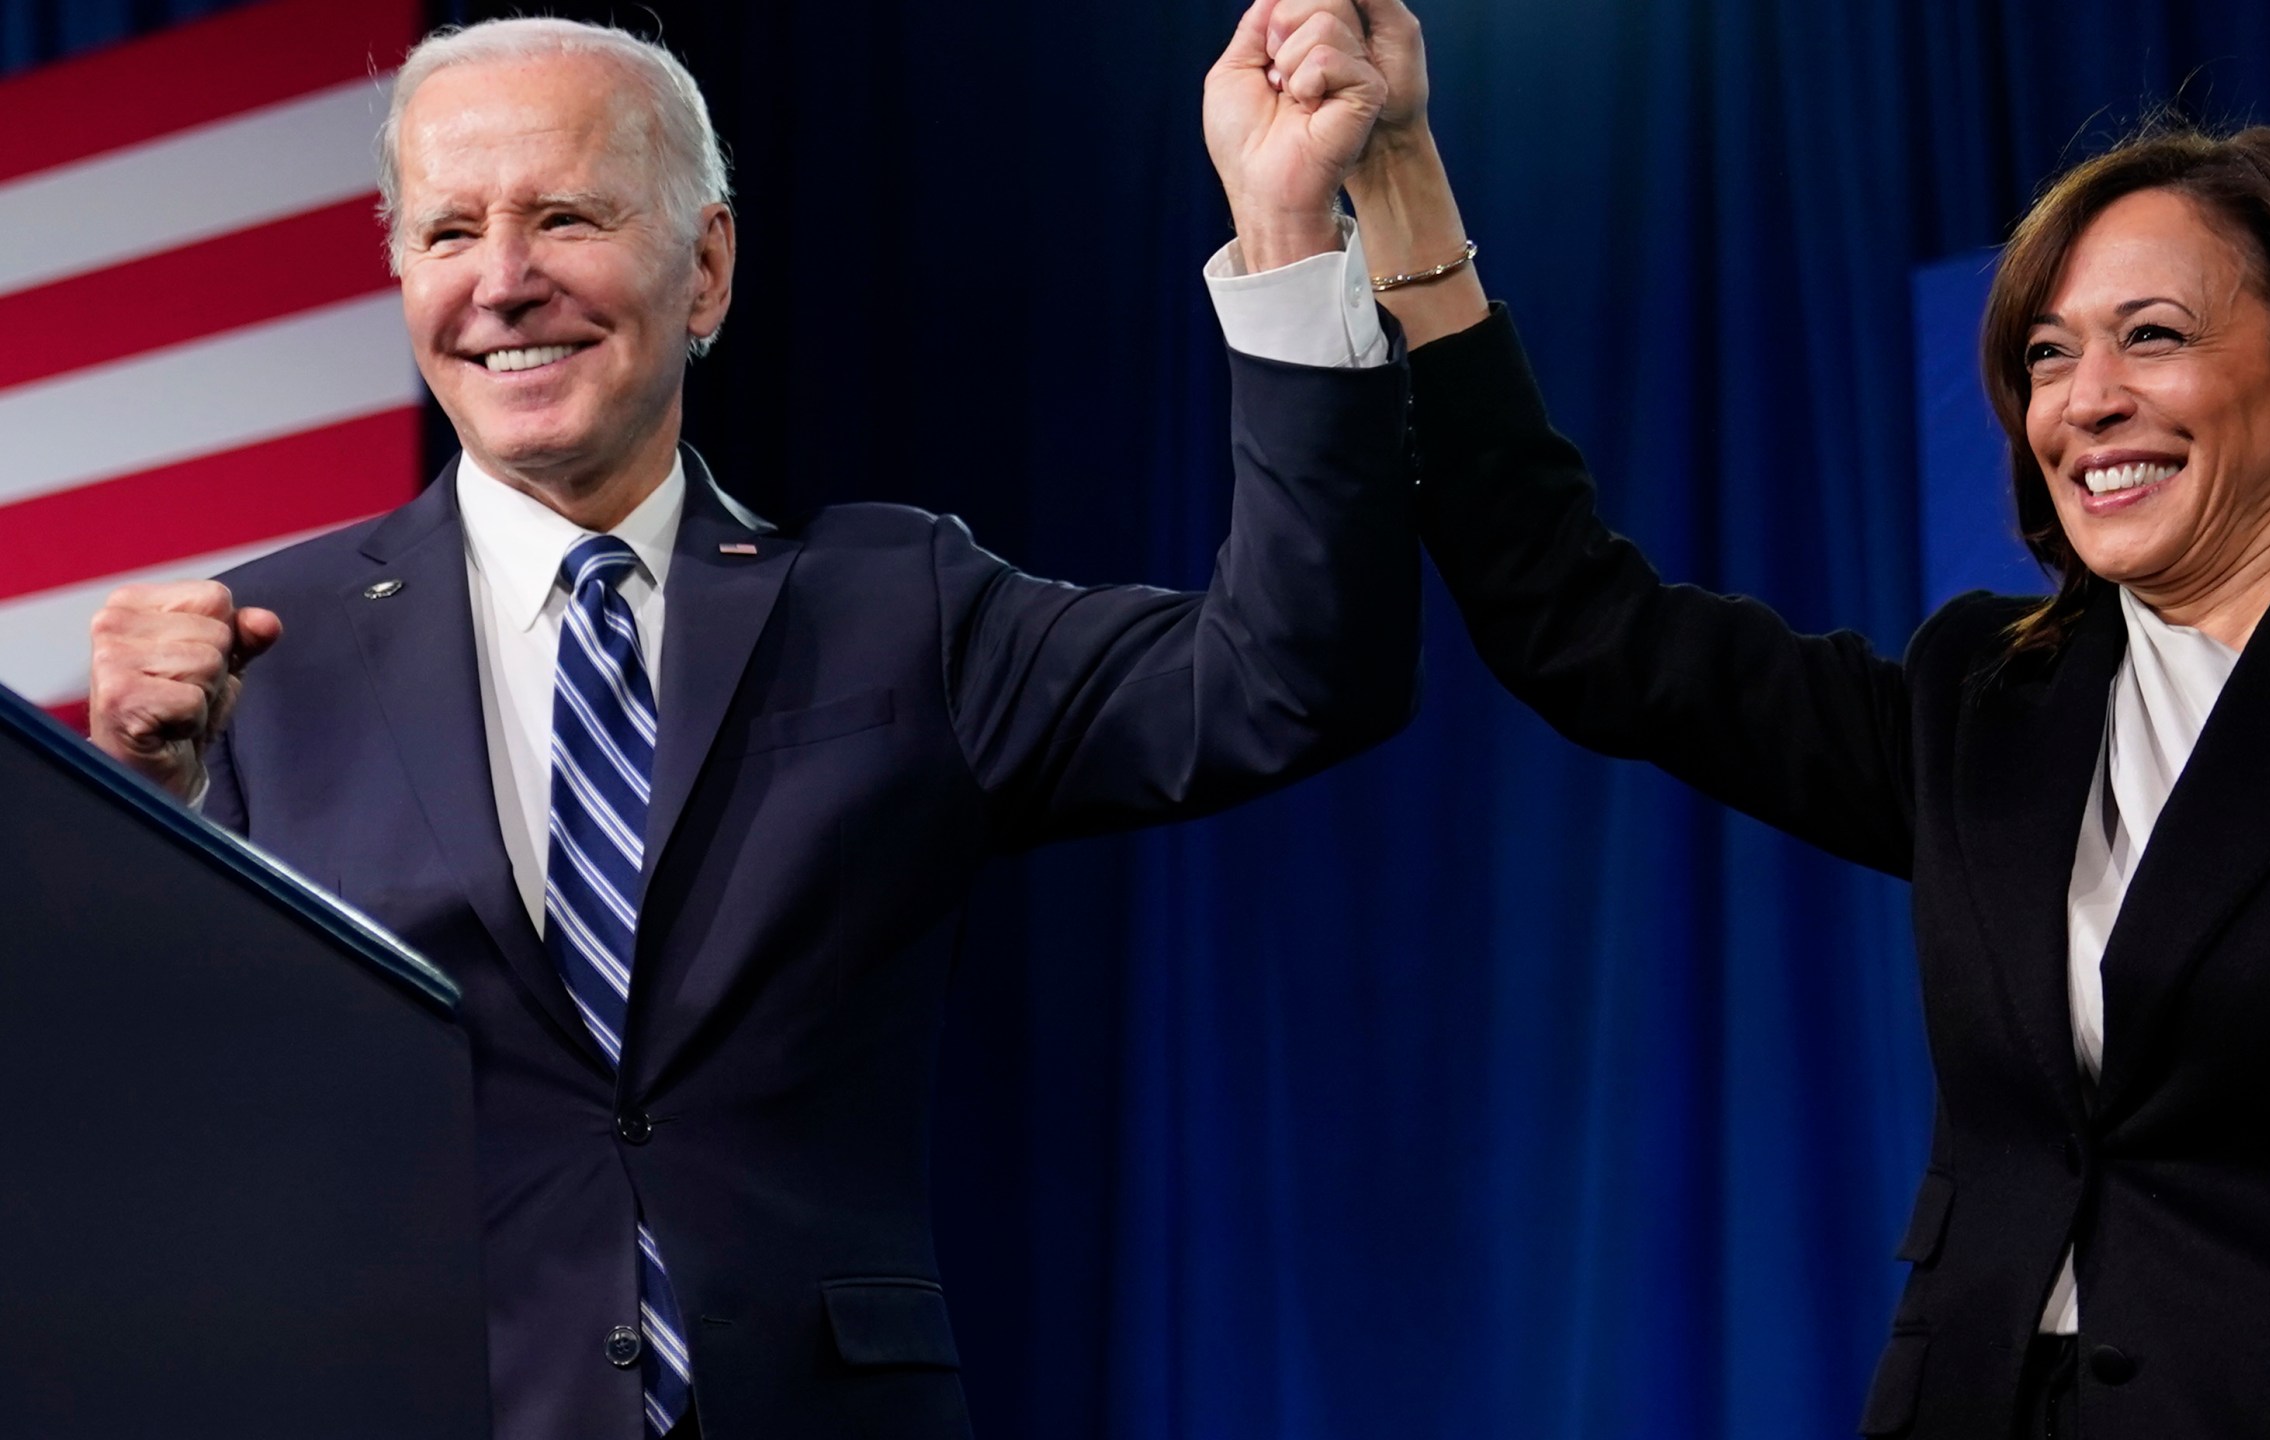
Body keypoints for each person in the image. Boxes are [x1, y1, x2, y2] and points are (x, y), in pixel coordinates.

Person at [84, 7, 1414, 1438]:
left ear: (705, 266)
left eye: (566, 217)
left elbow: (1290, 678)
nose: (505, 282)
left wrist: (1286, 232)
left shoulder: (898, 603)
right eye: (449, 231)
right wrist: (135, 807)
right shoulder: (253, 659)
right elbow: (130, 1128)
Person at [1321, 4, 2270, 1437]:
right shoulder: (1987, 696)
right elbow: (1584, 627)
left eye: (2149, 339)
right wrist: (1401, 172)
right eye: (2047, 355)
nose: (2087, 400)